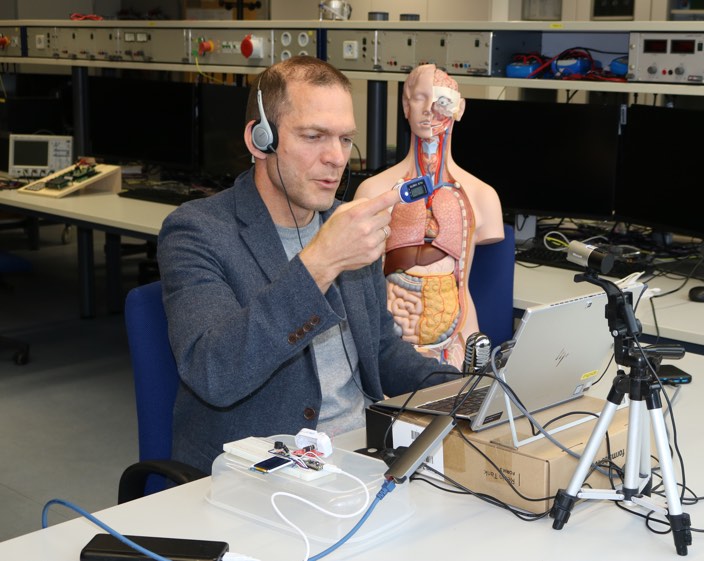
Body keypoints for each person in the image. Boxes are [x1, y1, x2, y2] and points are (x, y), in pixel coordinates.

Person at [157, 56, 457, 474]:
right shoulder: (197, 231)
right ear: (260, 140)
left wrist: (465, 389)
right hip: (261, 470)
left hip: (363, 455)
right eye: (314, 136)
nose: (336, 158)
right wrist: (322, 260)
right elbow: (214, 373)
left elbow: (382, 351)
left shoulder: (347, 224)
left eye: (345, 139)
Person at [354, 64, 504, 369]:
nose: (429, 109)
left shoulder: (482, 196)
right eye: (419, 98)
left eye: (440, 99)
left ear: (459, 108)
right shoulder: (373, 192)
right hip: (389, 352)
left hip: (457, 345)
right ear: (405, 106)